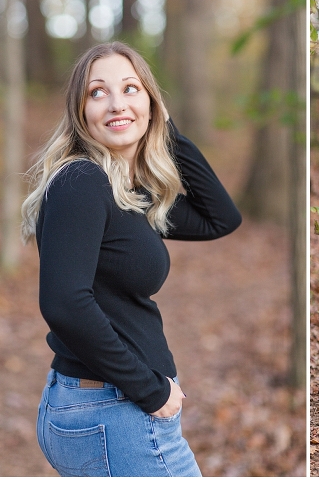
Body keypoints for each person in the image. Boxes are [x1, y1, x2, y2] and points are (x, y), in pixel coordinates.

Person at [21, 41, 242, 476]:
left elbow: (221, 219)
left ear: (151, 99)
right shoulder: (82, 182)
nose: (117, 103)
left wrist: (160, 126)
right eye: (98, 92)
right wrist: (151, 391)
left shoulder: (125, 190)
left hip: (107, 405)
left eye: (131, 89)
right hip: (113, 410)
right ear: (80, 111)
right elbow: (64, 303)